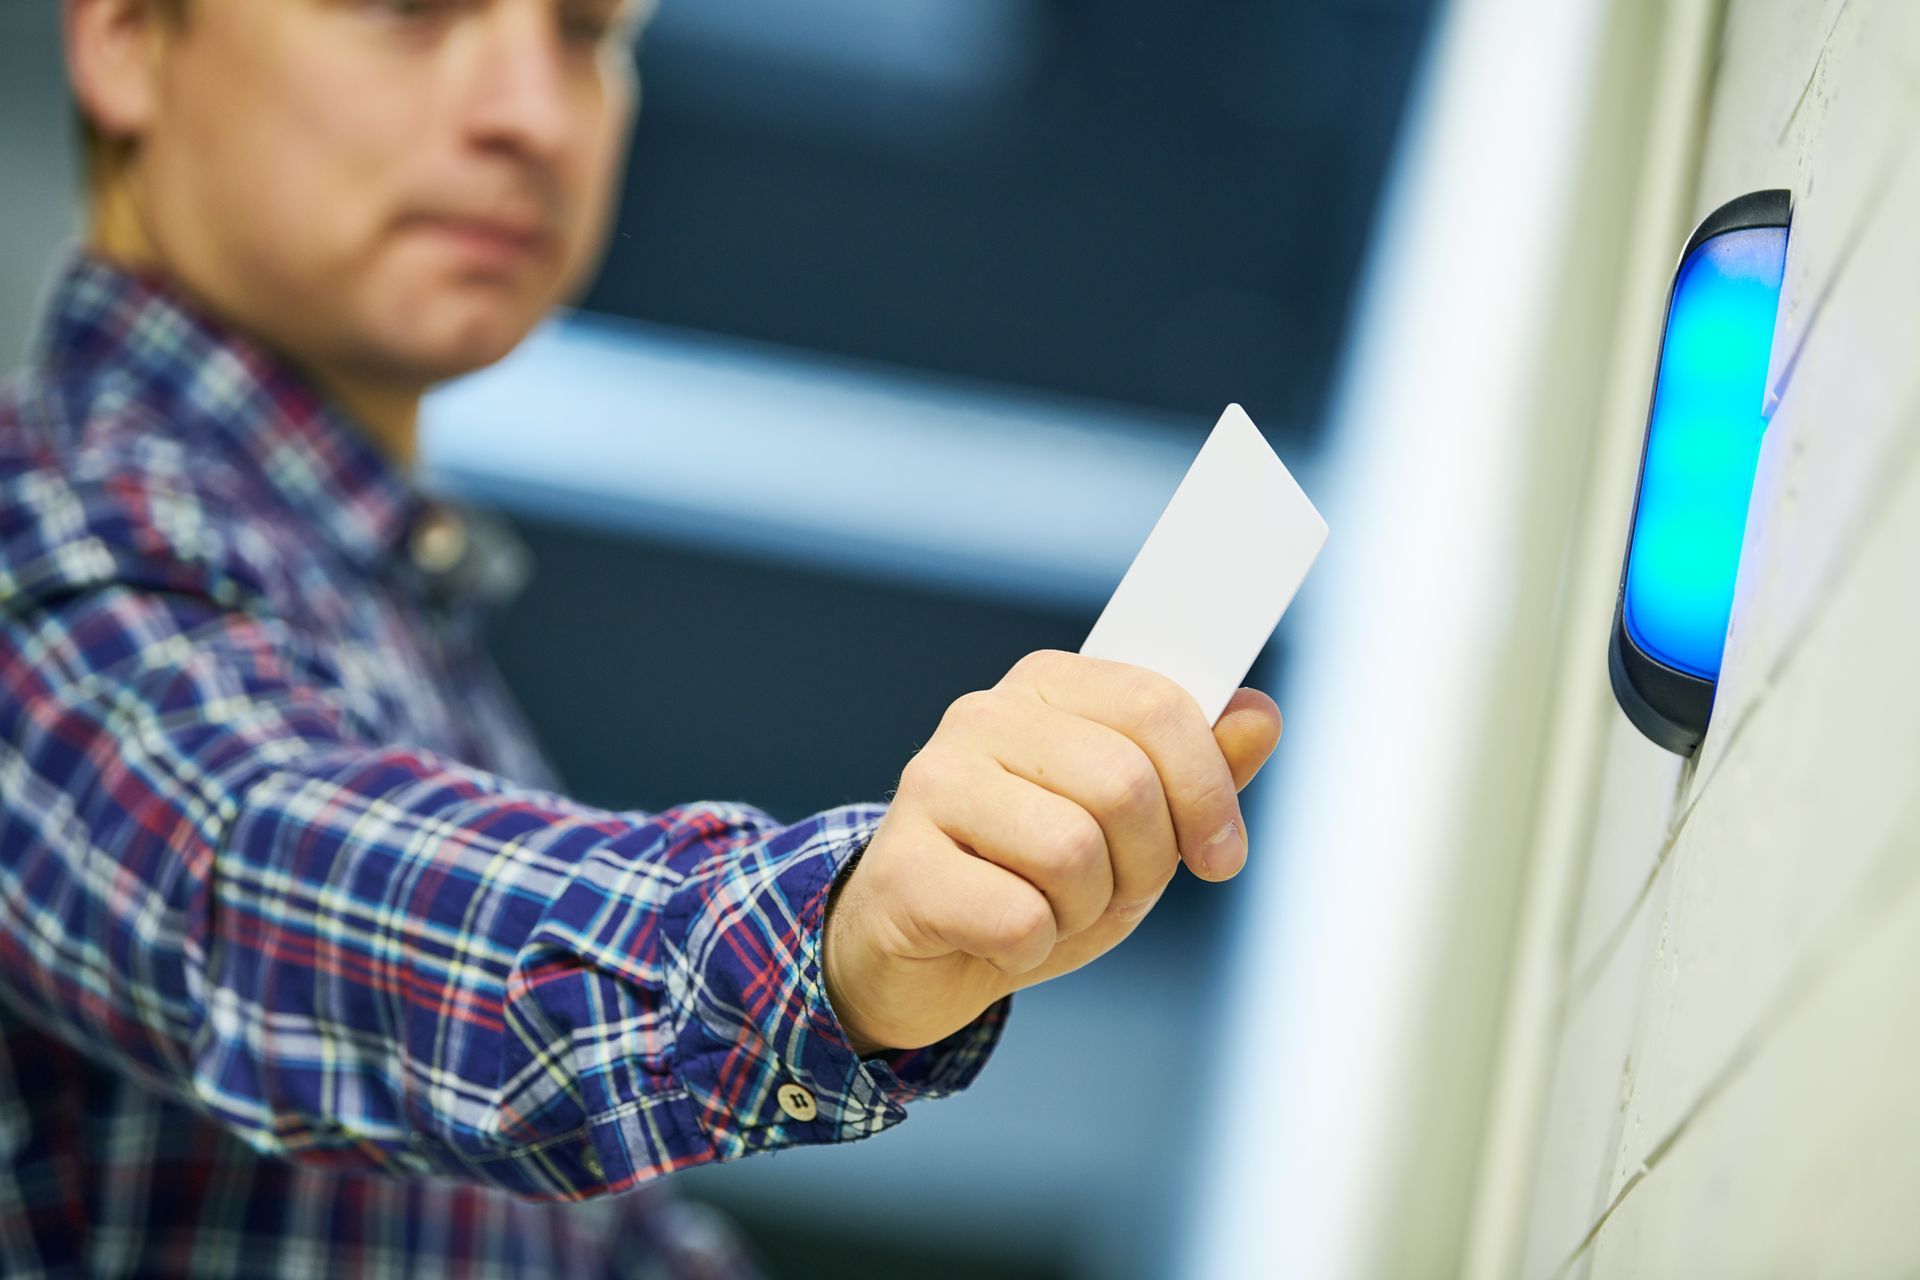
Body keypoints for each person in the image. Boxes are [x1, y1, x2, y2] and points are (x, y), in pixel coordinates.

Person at [0, 0, 1285, 1275]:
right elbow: (275, 886)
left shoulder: (373, 628)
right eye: (407, 11)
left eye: (587, 35)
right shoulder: (38, 545)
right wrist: (837, 936)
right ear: (123, 38)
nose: (531, 113)